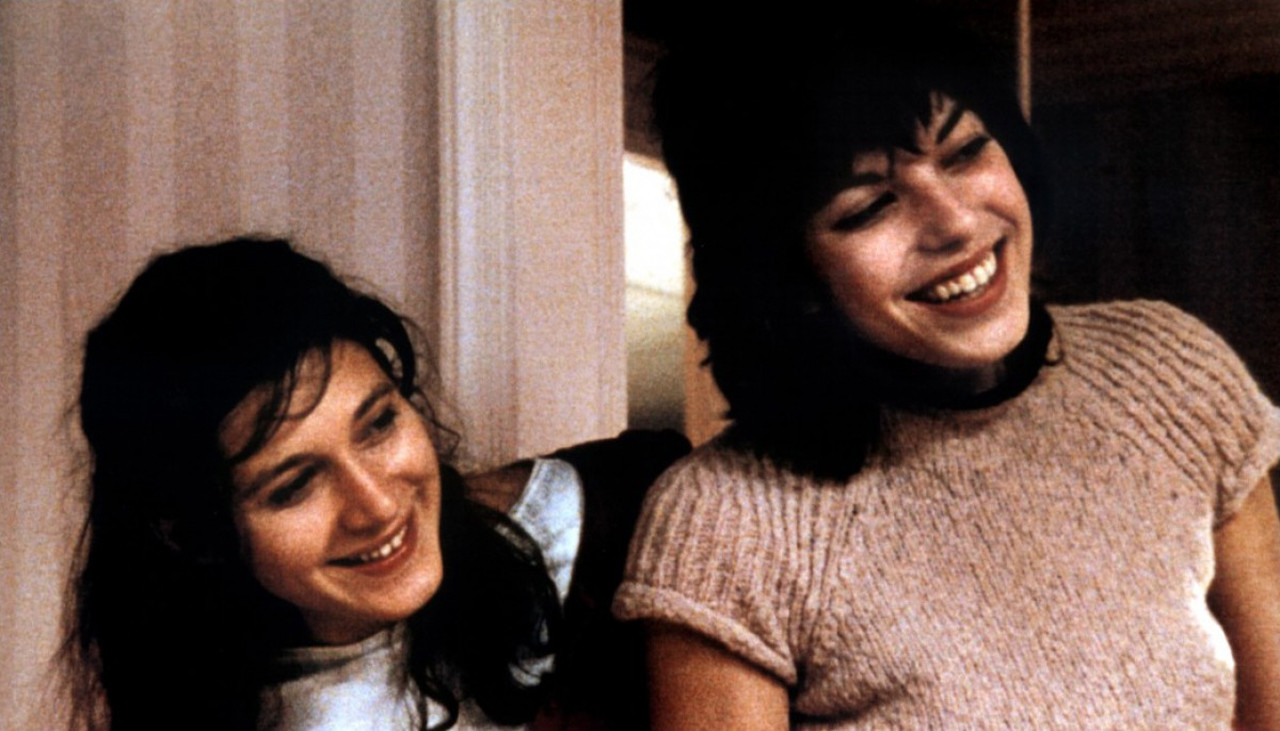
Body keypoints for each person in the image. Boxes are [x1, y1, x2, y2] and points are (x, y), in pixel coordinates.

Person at [612, 7, 1280, 729]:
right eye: (869, 207)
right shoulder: (727, 521)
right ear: (788, 275)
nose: (956, 223)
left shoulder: (1169, 372)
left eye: (964, 153)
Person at [60, 237, 683, 730]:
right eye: (295, 486)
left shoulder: (594, 511)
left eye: (378, 424)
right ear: (192, 534)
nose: (378, 504)